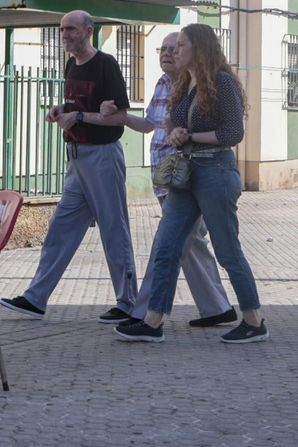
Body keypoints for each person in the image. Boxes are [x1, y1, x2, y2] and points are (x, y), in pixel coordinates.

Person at [112, 23, 267, 344]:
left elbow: (232, 133)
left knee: (227, 251)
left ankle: (253, 321)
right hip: (186, 173)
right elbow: (174, 125)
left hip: (215, 172)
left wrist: (190, 135)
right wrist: (174, 130)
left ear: (198, 48)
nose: (173, 51)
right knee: (167, 248)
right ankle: (153, 322)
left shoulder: (221, 82)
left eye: (180, 45)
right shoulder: (187, 84)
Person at [0, 10, 138, 324]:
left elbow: (118, 118)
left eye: (71, 29)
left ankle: (128, 303)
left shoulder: (106, 65)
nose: (65, 34)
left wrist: (77, 117)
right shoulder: (70, 65)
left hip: (102, 156)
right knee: (60, 230)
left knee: (114, 231)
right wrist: (62, 109)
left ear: (88, 31)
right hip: (76, 159)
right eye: (62, 29)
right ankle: (35, 299)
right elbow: (80, 106)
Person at [96, 30, 238, 328]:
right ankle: (218, 308)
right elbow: (149, 124)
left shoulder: (199, 86)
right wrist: (116, 117)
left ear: (191, 51)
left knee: (169, 244)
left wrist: (187, 135)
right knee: (191, 243)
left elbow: (229, 131)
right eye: (162, 48)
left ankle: (143, 313)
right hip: (167, 175)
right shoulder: (163, 83)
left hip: (192, 176)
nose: (167, 54)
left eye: (174, 48)